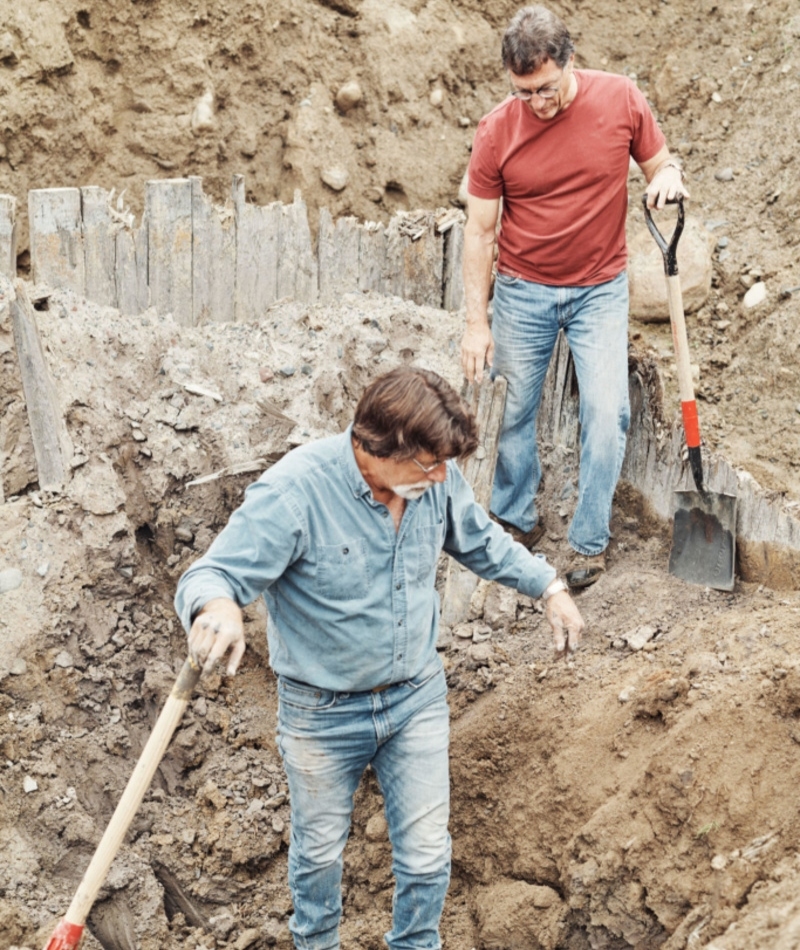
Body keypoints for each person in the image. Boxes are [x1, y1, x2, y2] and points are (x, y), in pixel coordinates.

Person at [175, 366, 584, 950]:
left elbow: (480, 539)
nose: (442, 477)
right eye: (428, 464)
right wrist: (217, 608)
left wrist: (548, 586)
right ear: (373, 447)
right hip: (320, 713)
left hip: (414, 698)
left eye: (445, 465)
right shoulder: (295, 492)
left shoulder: (432, 479)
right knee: (317, 855)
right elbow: (214, 573)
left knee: (425, 854)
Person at [460, 4, 690, 589]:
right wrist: (475, 323)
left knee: (607, 413)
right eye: (522, 91)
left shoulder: (620, 99)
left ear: (569, 62)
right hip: (522, 289)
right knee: (512, 409)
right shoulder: (497, 130)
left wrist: (665, 177)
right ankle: (515, 519)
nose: (535, 102)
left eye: (545, 87)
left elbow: (661, 164)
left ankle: (589, 541)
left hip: (599, 290)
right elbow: (481, 231)